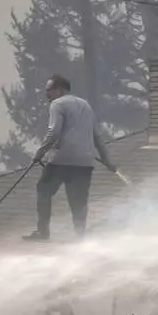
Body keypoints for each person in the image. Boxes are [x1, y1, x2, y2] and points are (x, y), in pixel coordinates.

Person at [23, 75, 118, 241]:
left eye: (49, 90)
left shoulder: (57, 104)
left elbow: (53, 133)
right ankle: (80, 236)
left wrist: (39, 153)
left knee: (44, 191)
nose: (47, 94)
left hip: (61, 159)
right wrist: (107, 160)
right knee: (79, 201)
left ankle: (43, 232)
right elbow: (97, 137)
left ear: (60, 89)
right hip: (84, 161)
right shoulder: (85, 105)